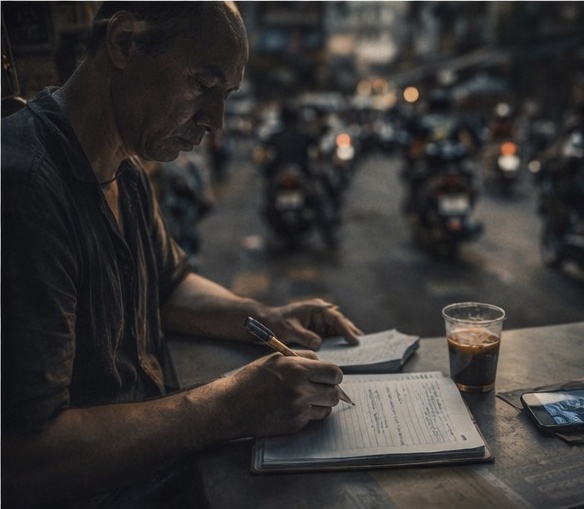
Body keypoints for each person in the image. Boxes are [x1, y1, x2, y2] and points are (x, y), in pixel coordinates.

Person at [1, 3, 362, 508]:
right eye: (202, 84)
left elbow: (170, 285)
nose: (214, 121)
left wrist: (263, 315)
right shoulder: (24, 187)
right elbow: (23, 458)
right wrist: (231, 406)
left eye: (226, 97)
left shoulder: (124, 171)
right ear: (125, 43)